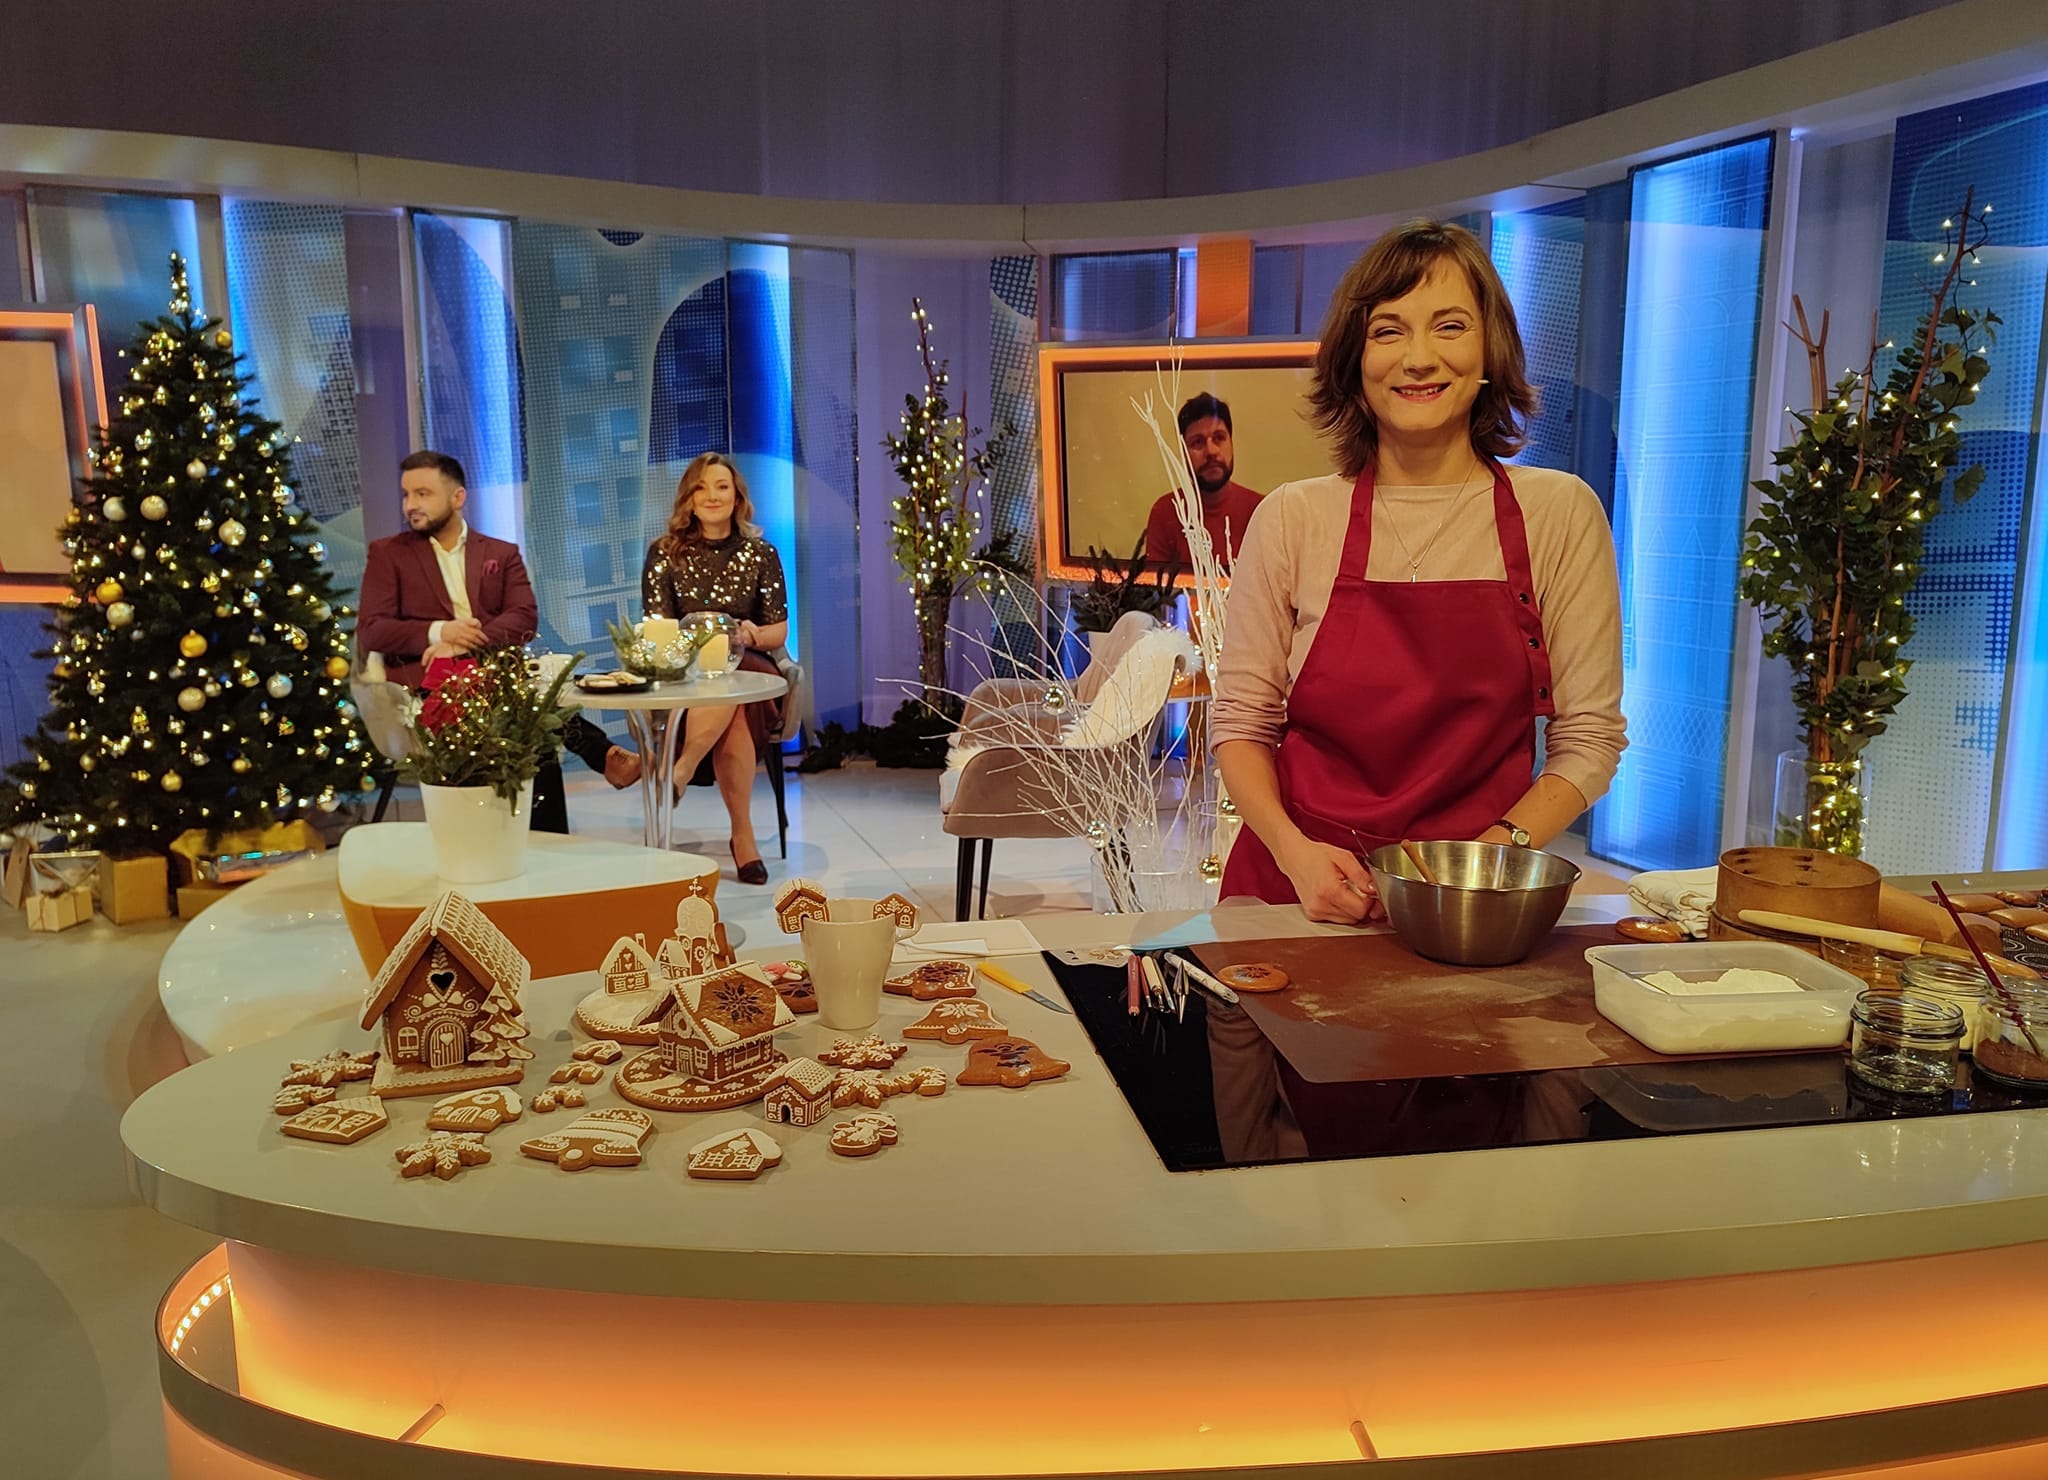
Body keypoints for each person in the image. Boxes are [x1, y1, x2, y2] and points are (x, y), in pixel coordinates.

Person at [1211, 219, 1626, 924]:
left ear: (1490, 349)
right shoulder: (1292, 517)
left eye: (1450, 326)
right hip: (1297, 892)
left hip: (1473, 904)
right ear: (1356, 360)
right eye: (1389, 331)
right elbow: (1241, 724)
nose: (1420, 358)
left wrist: (1487, 861)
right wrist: (1294, 852)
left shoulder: (1559, 512)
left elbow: (1589, 738)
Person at [356, 450, 572, 833]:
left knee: (536, 712)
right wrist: (440, 632)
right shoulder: (389, 554)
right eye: (406, 494)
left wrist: (464, 642)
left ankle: (546, 838)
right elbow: (373, 628)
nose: (410, 505)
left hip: (492, 671)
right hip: (428, 682)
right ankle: (603, 759)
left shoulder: (501, 553)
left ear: (457, 497)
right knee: (524, 718)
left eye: (423, 494)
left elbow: (524, 617)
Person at [631, 452, 789, 885]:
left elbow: (778, 630)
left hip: (750, 663)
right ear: (689, 498)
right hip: (687, 673)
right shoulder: (664, 553)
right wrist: (689, 650)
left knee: (733, 683)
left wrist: (750, 635)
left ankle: (679, 772)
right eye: (701, 487)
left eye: (722, 486)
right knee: (726, 698)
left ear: (737, 496)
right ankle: (743, 837)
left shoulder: (761, 553)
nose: (712, 496)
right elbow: (658, 629)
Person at [1142, 393, 1264, 570]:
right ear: (1184, 453)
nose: (1211, 451)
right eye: (1197, 442)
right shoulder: (1165, 513)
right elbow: (1156, 584)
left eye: (1219, 438)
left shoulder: (1260, 510)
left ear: (1231, 443)